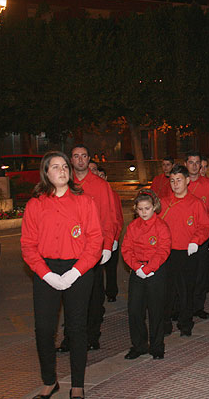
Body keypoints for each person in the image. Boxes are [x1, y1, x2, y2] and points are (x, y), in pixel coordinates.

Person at [21, 151, 103, 399]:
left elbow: (95, 240)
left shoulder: (84, 201)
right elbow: (27, 245)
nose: (62, 170)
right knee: (44, 329)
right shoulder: (35, 204)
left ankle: (77, 384)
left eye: (65, 166)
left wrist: (75, 272)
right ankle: (49, 381)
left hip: (78, 269)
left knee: (77, 328)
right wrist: (46, 275)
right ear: (46, 173)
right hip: (46, 270)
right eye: (55, 167)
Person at [57, 145, 118, 353]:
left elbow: (109, 217)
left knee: (93, 297)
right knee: (69, 296)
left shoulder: (101, 186)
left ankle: (92, 336)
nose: (80, 160)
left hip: (92, 251)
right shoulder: (64, 183)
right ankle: (70, 338)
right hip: (68, 251)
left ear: (89, 158)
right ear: (71, 160)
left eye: (84, 156)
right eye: (76, 156)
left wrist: (108, 245)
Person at [159, 164, 209, 337]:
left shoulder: (196, 203)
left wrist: (195, 241)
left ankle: (185, 323)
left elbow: (205, 226)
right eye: (172, 181)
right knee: (166, 291)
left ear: (187, 181)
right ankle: (165, 324)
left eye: (179, 180)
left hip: (187, 252)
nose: (175, 184)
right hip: (167, 253)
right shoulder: (164, 203)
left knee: (186, 290)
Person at [122, 189, 171, 360]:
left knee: (156, 310)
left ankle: (157, 346)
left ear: (154, 207)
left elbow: (163, 250)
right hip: (137, 271)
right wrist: (137, 268)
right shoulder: (133, 226)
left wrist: (149, 269)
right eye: (140, 209)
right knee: (135, 310)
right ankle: (139, 345)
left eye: (147, 208)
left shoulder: (161, 226)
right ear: (136, 209)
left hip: (155, 271)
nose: (144, 212)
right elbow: (126, 249)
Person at [185, 152, 209, 319]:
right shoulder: (179, 183)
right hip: (183, 237)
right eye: (191, 162)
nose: (194, 166)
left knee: (201, 274)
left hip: (203, 236)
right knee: (183, 273)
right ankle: (181, 307)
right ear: (185, 164)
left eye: (197, 163)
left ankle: (197, 307)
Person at [90, 164, 124, 303]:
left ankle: (111, 292)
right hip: (94, 240)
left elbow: (117, 217)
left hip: (110, 237)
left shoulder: (111, 193)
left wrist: (115, 238)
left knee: (110, 270)